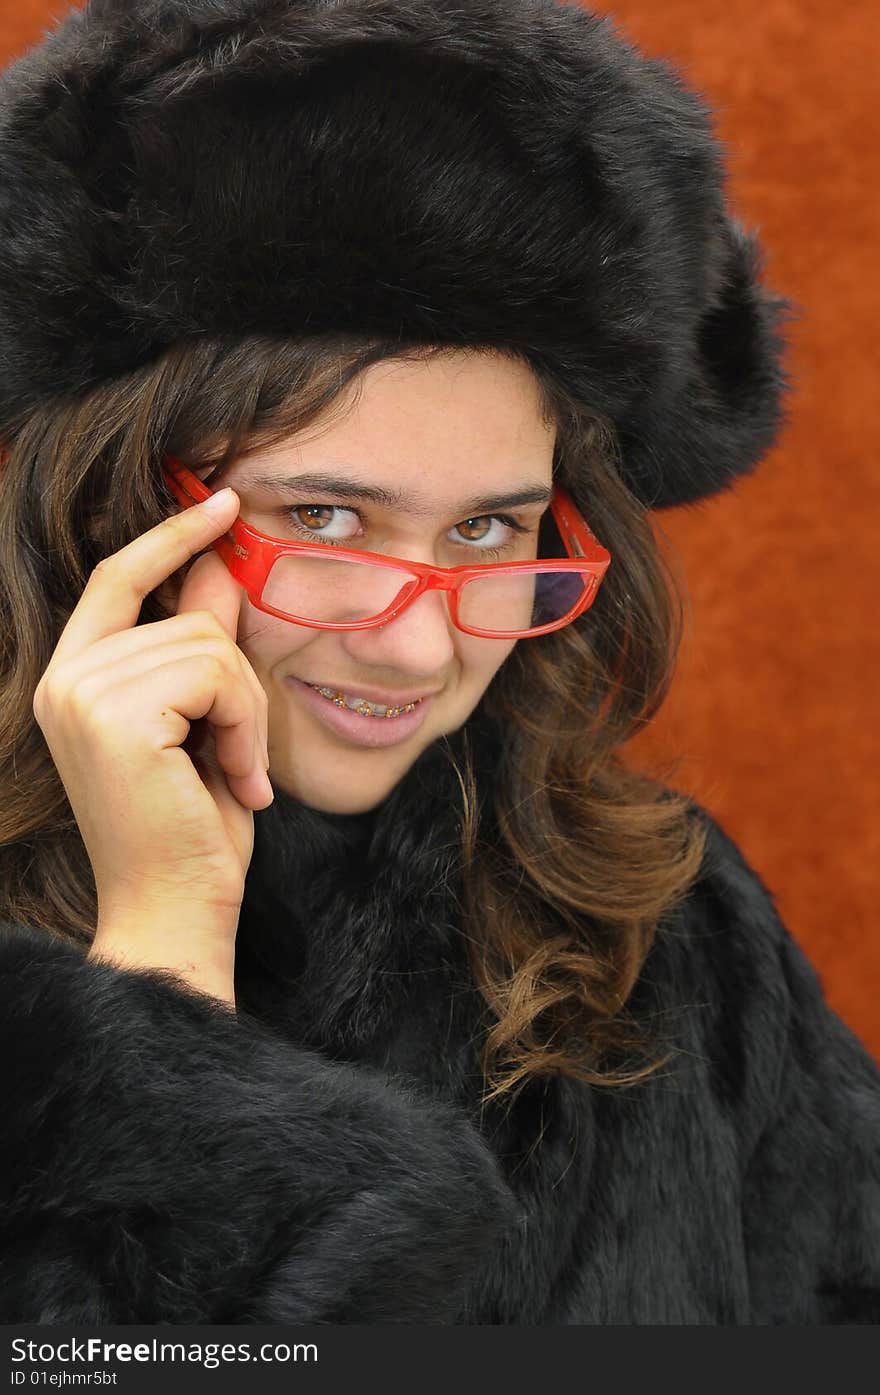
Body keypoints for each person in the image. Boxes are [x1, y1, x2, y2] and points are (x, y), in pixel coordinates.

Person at [0, 0, 876, 1326]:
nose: (417, 641)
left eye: (486, 528)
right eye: (325, 517)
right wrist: (161, 961)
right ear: (115, 510)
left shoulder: (671, 930)